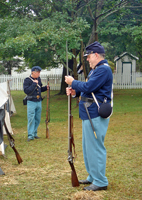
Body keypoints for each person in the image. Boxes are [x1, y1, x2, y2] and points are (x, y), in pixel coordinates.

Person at [65, 41, 113, 191]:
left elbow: (89, 87)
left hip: (95, 113)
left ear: (96, 55)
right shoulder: (95, 70)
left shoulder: (103, 70)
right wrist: (75, 92)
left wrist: (73, 82)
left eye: (88, 56)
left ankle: (100, 181)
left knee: (95, 147)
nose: (87, 59)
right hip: (88, 112)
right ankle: (93, 176)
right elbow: (88, 90)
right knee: (88, 147)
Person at [23, 66, 49, 142]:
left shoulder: (38, 79)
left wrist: (46, 88)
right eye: (38, 72)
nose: (39, 74)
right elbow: (26, 91)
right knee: (31, 118)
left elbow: (40, 88)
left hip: (38, 101)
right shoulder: (27, 80)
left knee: (37, 119)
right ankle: (30, 135)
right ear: (33, 72)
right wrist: (34, 84)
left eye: (39, 72)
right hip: (31, 101)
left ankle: (34, 133)